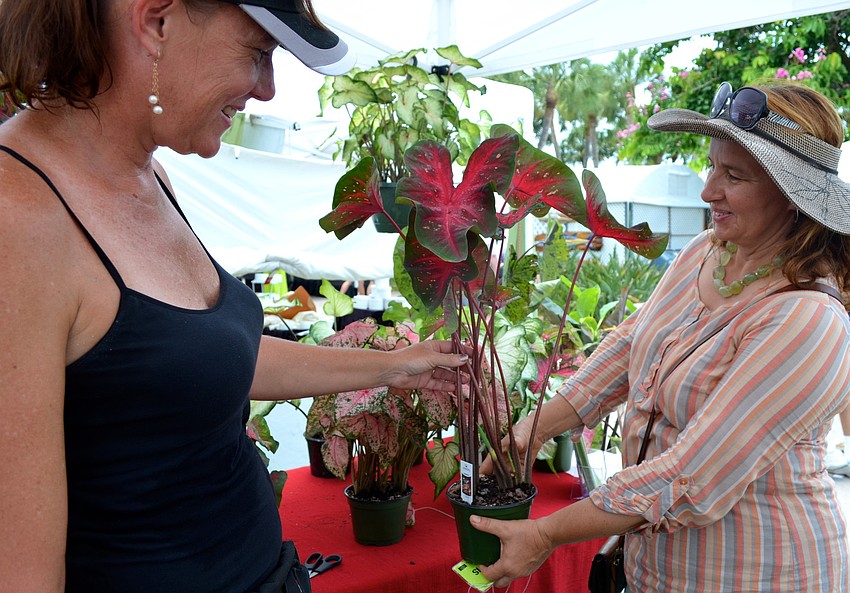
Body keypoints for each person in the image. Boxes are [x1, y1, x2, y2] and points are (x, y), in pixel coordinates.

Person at [0, 2, 468, 593]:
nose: (269, 90)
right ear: (155, 22)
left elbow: (213, 358)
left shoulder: (151, 177)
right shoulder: (17, 216)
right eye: (258, 53)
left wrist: (393, 367)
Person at [474, 82, 850, 592]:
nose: (707, 190)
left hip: (756, 573)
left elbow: (692, 476)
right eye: (712, 165)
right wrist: (535, 428)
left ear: (791, 197)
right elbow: (633, 344)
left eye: (733, 176)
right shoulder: (707, 250)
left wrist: (544, 535)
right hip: (655, 569)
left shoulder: (808, 319)